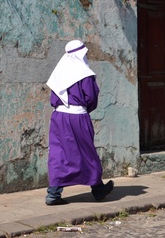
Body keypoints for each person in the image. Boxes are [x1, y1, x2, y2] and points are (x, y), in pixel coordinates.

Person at [44, 39, 114, 206]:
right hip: (77, 118)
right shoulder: (85, 74)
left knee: (59, 153)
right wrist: (83, 109)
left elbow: (53, 97)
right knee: (86, 151)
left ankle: (53, 194)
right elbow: (91, 98)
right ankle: (98, 189)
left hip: (58, 117)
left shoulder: (58, 72)